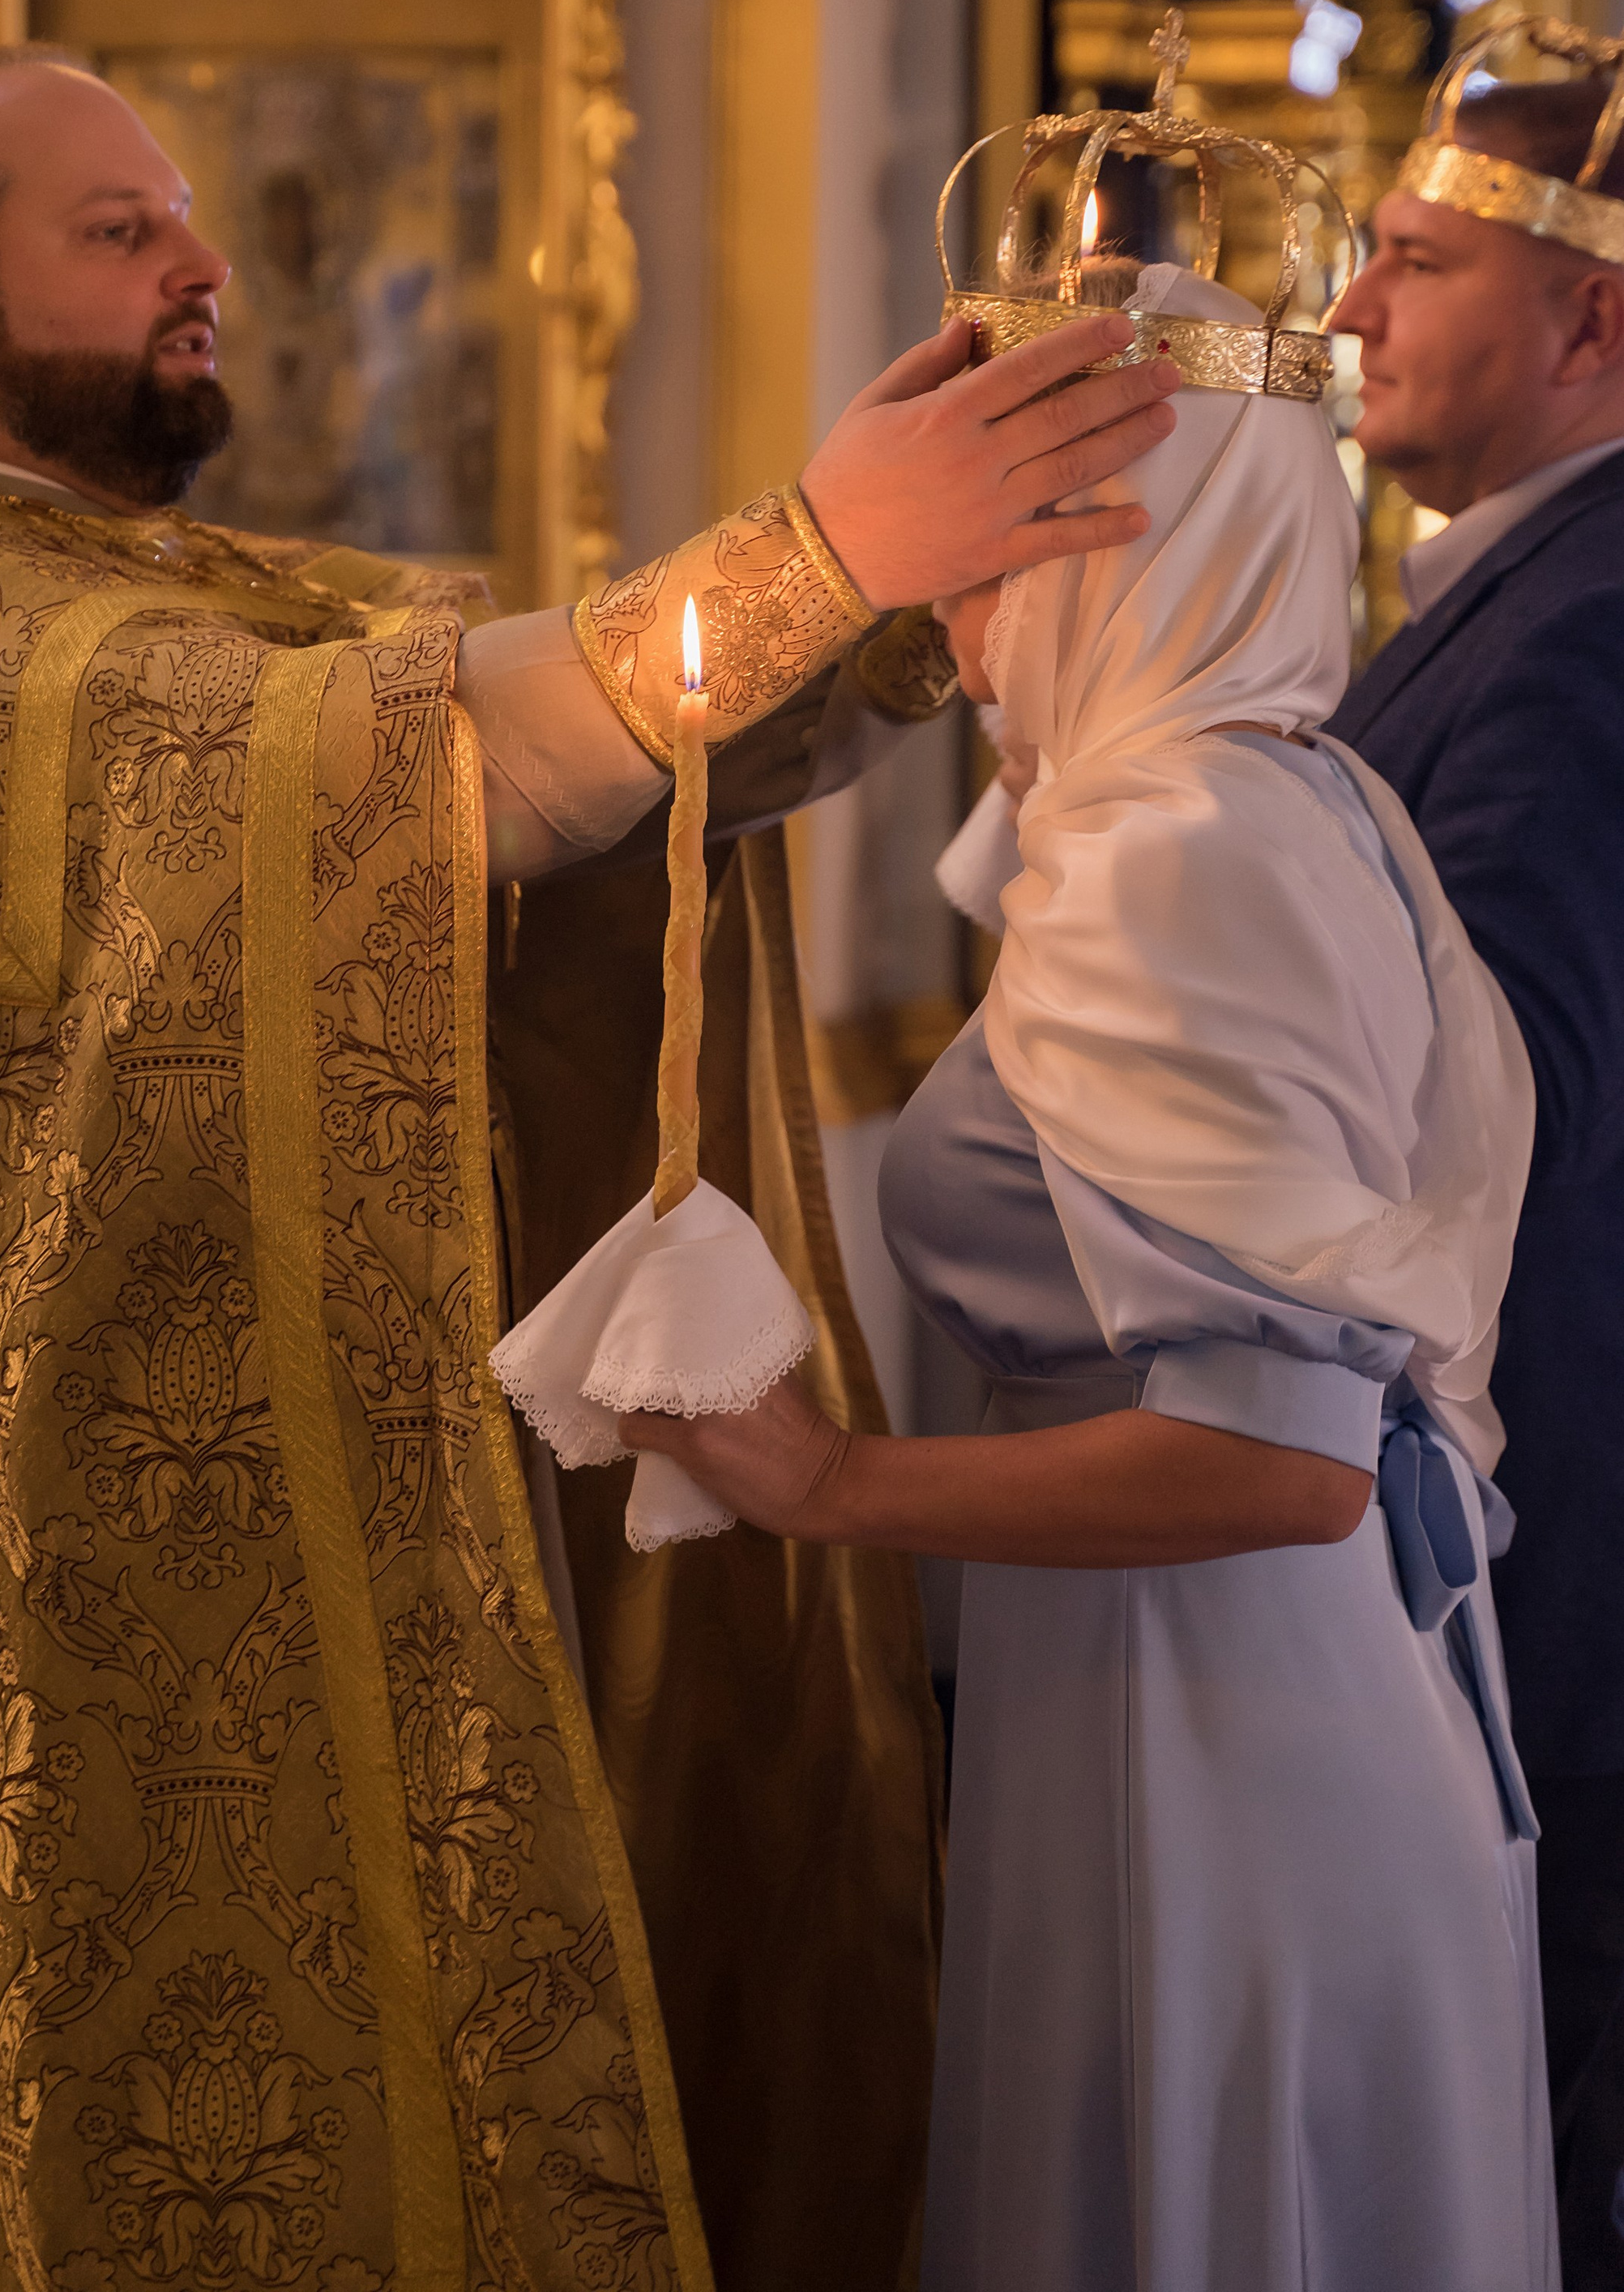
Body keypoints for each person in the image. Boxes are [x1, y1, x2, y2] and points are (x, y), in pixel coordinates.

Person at [0, 45, 1180, 2291]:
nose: (205, 266)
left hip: (269, 1506)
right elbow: (398, 764)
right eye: (119, 229)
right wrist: (824, 549)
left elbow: (538, 748)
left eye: (184, 217)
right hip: (32, 1565)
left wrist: (866, 609)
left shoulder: (169, 586)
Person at [624, 259, 1558, 2292]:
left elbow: (1276, 1459)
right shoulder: (1271, 788)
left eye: (985, 559)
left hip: (1214, 1710)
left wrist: (826, 1488)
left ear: (1119, 551)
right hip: (1230, 1677)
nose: (943, 625)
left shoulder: (1182, 849)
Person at [1324, 37, 1624, 2290]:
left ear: (1591, 320)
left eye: (1413, 262)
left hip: (1546, 1528)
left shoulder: (1579, 630)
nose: (1350, 311)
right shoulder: (1510, 596)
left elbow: (1503, 1104)